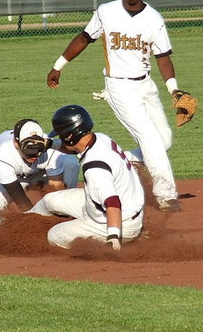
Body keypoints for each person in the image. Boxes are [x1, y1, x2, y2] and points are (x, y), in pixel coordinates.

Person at [46, 0, 190, 212]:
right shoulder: (106, 12)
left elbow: (163, 57)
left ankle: (123, 159)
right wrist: (58, 66)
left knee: (164, 140)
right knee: (150, 139)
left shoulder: (154, 19)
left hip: (145, 84)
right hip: (118, 86)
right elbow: (84, 38)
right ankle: (167, 196)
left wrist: (174, 90)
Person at [28, 104, 145, 251]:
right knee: (49, 200)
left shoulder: (94, 167)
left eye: (61, 136)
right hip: (122, 208)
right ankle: (22, 222)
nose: (61, 139)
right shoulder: (100, 138)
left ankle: (113, 240)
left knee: (54, 235)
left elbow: (112, 201)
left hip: (114, 222)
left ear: (70, 136)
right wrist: (50, 144)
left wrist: (113, 236)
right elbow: (74, 148)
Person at [0, 118, 79, 244]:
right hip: (14, 179)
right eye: (29, 153)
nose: (34, 157)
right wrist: (36, 224)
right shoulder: (3, 153)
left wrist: (59, 212)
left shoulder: (47, 147)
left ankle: (69, 215)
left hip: (40, 175)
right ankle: (10, 223)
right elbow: (18, 196)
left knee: (70, 162)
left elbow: (56, 186)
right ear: (16, 143)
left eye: (38, 153)